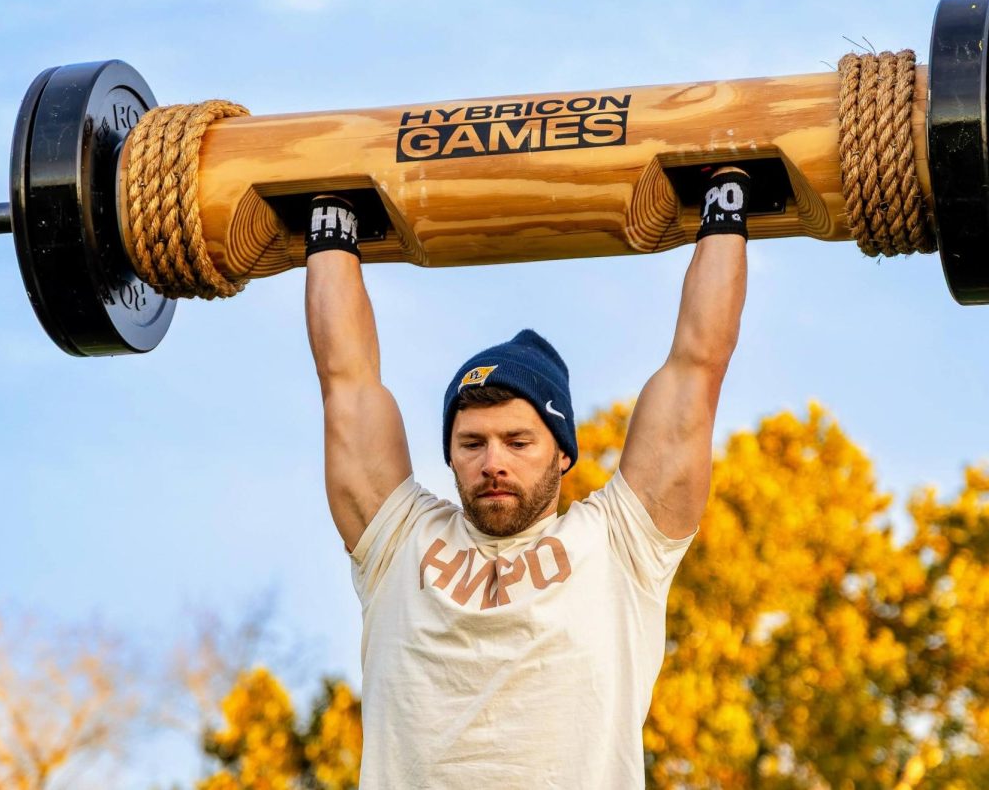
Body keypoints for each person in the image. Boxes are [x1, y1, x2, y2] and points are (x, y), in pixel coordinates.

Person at [304, 167, 750, 788]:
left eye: (518, 441)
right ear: (451, 455)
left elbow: (698, 365)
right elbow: (345, 381)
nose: (493, 462)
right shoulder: (396, 544)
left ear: (562, 452)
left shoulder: (621, 544)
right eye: (472, 443)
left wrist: (725, 203)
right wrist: (330, 224)